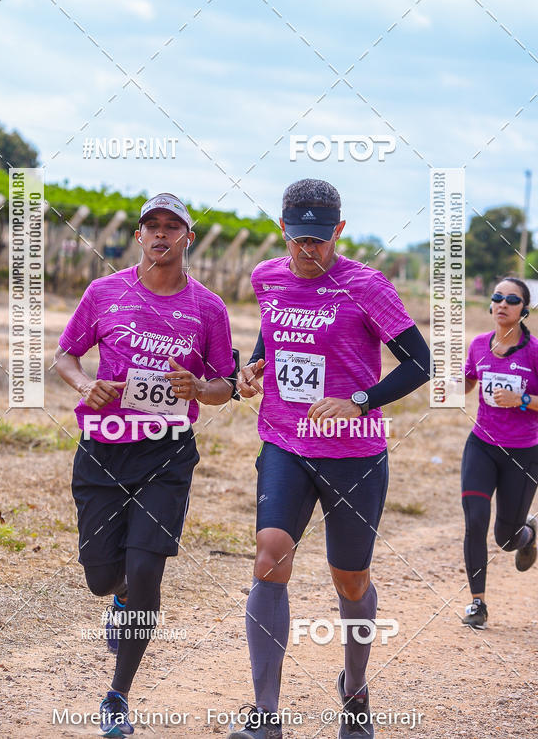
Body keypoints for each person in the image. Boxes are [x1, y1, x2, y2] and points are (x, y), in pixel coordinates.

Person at [232, 179, 431, 739]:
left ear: (339, 231)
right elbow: (273, 342)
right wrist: (253, 368)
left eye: (319, 240)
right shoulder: (266, 278)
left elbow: (420, 363)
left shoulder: (367, 286)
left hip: (354, 455)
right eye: (299, 239)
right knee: (270, 555)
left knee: (350, 580)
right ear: (283, 230)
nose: (308, 250)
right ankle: (265, 714)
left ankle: (356, 690)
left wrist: (360, 399)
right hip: (286, 442)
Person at [54, 193, 237, 736]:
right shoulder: (104, 292)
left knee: (146, 570)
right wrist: (89, 385)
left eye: (172, 227)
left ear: (188, 238)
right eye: (151, 226)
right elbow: (65, 355)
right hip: (104, 447)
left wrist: (199, 386)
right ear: (139, 236)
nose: (161, 235)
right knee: (102, 575)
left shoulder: (208, 308)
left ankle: (118, 695)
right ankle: (119, 595)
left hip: (167, 451)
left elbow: (226, 384)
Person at [461, 276, 538, 629]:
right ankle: (477, 603)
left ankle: (528, 535)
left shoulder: (534, 352)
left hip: (523, 454)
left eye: (512, 299)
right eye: (498, 298)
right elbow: (468, 380)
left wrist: (522, 400)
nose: (503, 304)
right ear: (490, 305)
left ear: (524, 310)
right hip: (482, 446)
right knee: (475, 520)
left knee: (505, 539)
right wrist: (452, 382)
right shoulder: (478, 344)